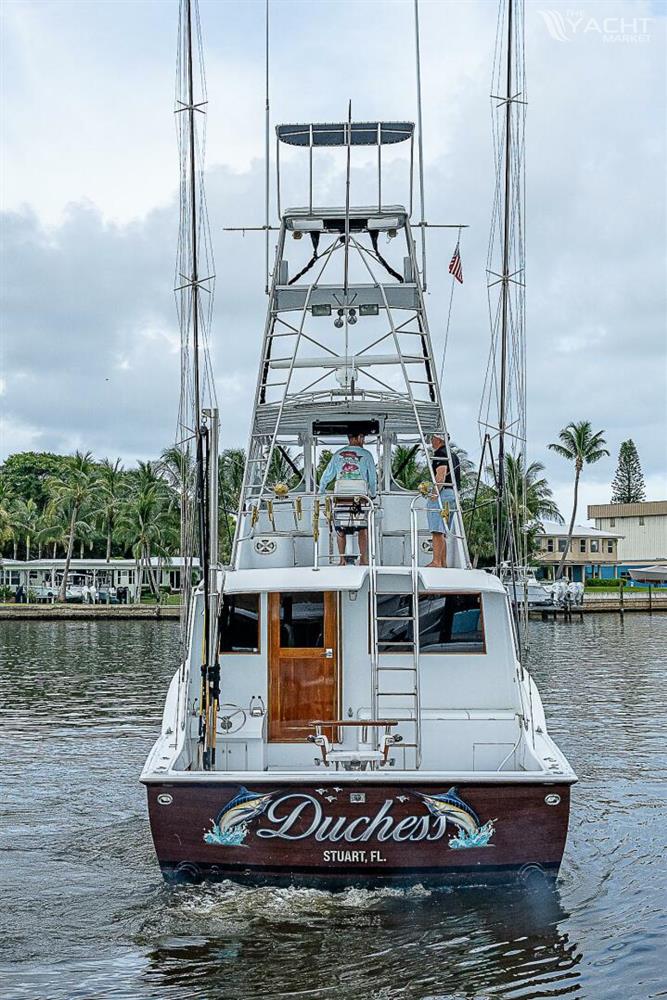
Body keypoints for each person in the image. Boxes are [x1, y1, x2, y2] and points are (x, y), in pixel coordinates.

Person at [319, 428, 377, 565]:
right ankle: (363, 560)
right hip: (360, 498)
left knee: (340, 527)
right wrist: (373, 495)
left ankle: (342, 560)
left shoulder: (338, 454)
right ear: (358, 437)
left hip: (341, 497)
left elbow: (326, 475)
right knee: (363, 528)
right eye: (362, 438)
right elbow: (372, 479)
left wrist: (321, 492)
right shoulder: (367, 455)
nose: (363, 441)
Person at [425, 430, 460, 569]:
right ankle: (443, 562)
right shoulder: (453, 455)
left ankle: (436, 562)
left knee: (437, 530)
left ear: (438, 440)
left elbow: (441, 475)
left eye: (432, 438)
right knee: (443, 531)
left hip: (443, 493)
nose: (431, 441)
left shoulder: (441, 454)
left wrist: (434, 493)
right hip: (452, 495)